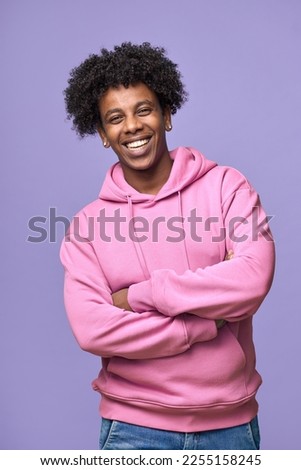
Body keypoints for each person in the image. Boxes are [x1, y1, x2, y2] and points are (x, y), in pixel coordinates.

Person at [60, 42, 275, 450]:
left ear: (167, 114)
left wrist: (139, 295)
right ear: (104, 135)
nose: (133, 127)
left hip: (229, 427)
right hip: (132, 429)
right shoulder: (87, 227)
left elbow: (251, 279)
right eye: (115, 118)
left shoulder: (227, 187)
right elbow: (93, 330)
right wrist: (203, 323)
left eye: (144, 109)